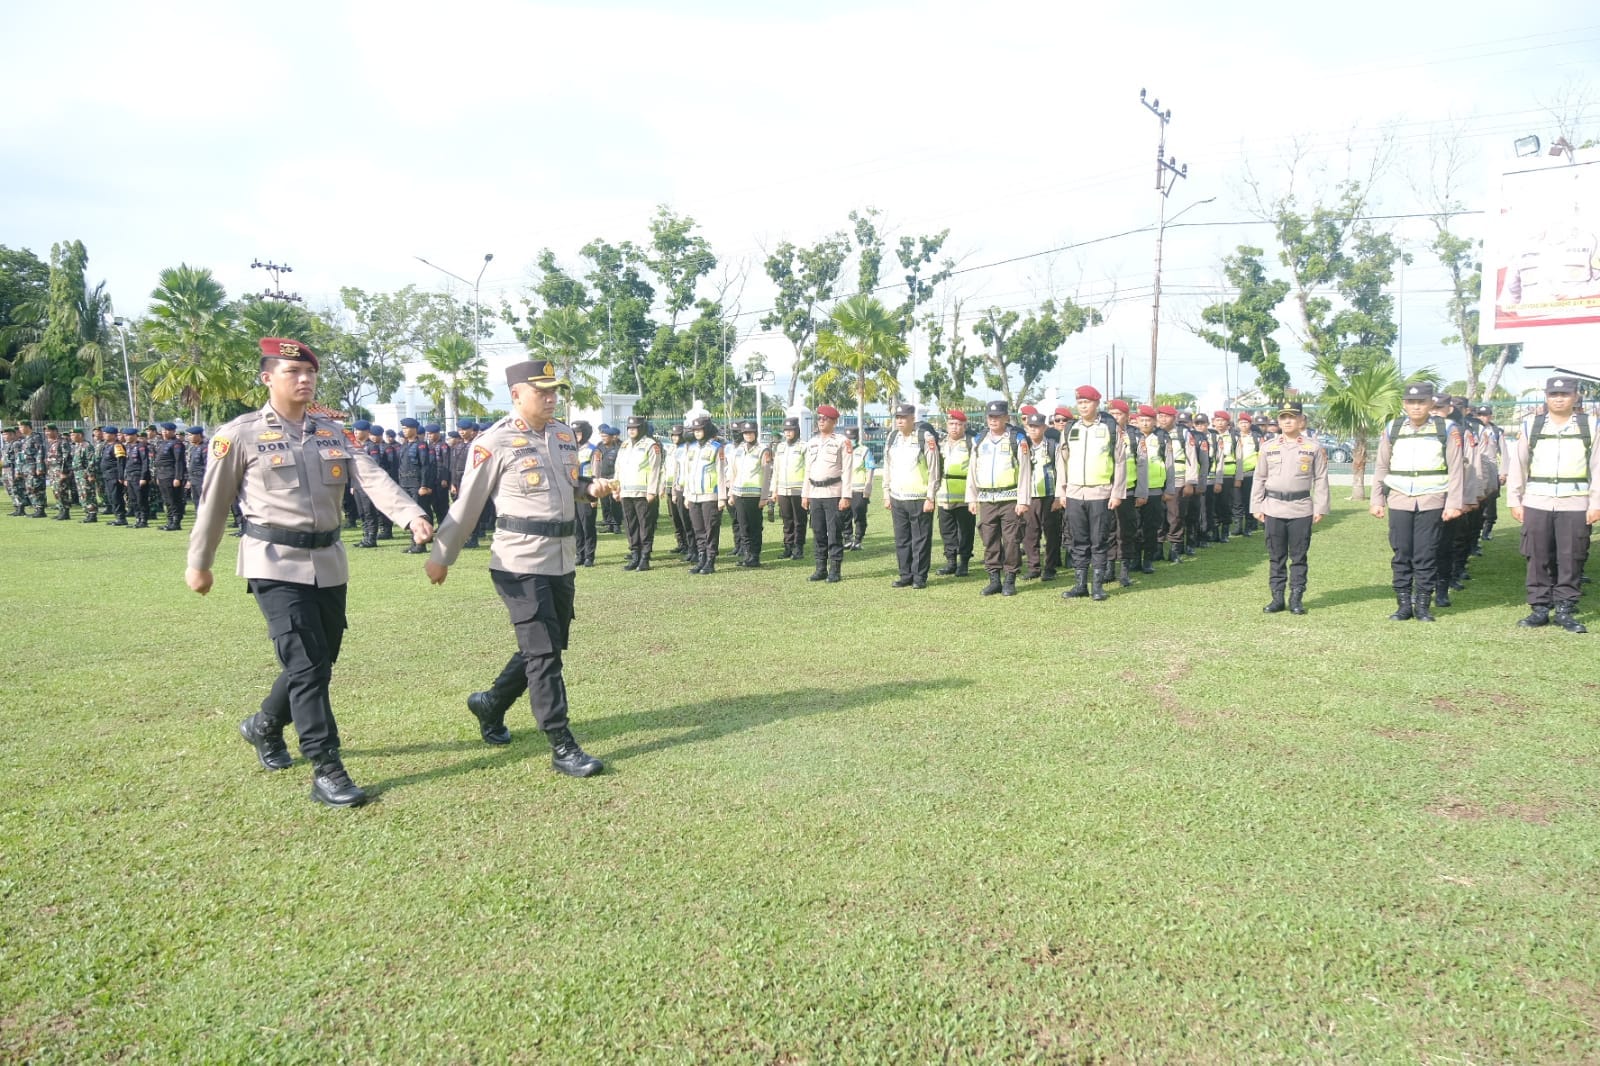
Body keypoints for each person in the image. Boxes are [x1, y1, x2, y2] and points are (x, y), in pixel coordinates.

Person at [186, 337, 433, 808]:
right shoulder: (238, 434)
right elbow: (213, 504)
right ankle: (326, 767)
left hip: (329, 562)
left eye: (309, 373)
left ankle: (262, 726)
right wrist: (200, 563)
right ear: (266, 378)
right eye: (291, 373)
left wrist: (410, 515)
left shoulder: (330, 431)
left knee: (318, 661)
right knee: (306, 666)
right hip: (274, 562)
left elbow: (370, 477)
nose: (303, 380)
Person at [425, 360, 616, 775]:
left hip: (560, 557)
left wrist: (588, 488)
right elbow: (468, 504)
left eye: (554, 392)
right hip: (519, 561)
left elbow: (570, 485)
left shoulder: (564, 435)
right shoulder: (494, 442)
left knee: (546, 644)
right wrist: (442, 556)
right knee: (544, 653)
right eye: (542, 392)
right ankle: (561, 742)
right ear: (516, 395)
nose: (551, 399)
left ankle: (490, 702)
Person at [1504, 376, 1600, 632]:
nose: (1559, 399)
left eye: (1565, 394)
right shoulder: (1531, 425)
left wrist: (1596, 502)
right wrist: (1515, 499)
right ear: (1546, 397)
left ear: (1575, 396)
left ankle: (1566, 609)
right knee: (1537, 555)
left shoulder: (1591, 425)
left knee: (1572, 556)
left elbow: (1598, 466)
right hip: (1537, 499)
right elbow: (1518, 465)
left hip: (1575, 501)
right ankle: (1539, 608)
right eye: (1554, 395)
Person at [1371, 382, 1465, 622]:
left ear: (1431, 403)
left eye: (1421, 402)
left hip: (1432, 499)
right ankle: (1403, 604)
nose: (1416, 406)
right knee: (1402, 552)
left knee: (1426, 553)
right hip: (1400, 498)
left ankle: (1423, 604)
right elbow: (1381, 466)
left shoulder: (1446, 428)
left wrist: (1454, 503)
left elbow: (1456, 470)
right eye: (1411, 402)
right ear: (1404, 404)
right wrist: (1377, 499)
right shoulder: (1393, 428)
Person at [1250, 401, 1331, 614]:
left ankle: (1296, 597)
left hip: (1301, 508)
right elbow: (1259, 477)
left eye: (1292, 417)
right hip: (1273, 507)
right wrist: (1256, 505)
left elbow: (1321, 479)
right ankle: (1277, 598)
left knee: (1298, 556)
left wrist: (1320, 507)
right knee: (1276, 556)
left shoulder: (1312, 447)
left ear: (1301, 420)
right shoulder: (1269, 447)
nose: (1287, 421)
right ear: (1278, 421)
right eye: (1283, 417)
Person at [1058, 386, 1127, 602]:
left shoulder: (1109, 427)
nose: (1083, 406)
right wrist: (1062, 490)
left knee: (1099, 540)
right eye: (1080, 402)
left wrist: (1117, 493)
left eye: (1087, 402)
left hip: (1100, 492)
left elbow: (1120, 461)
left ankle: (1097, 585)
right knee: (1078, 540)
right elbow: (1062, 461)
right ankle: (1080, 584)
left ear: (1096, 404)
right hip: (1075, 493)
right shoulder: (1070, 428)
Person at [966, 399, 1031, 596]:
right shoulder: (979, 440)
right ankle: (994, 578)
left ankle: (1010, 578)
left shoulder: (1017, 439)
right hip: (987, 499)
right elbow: (972, 470)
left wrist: (1023, 500)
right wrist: (971, 497)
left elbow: (1025, 471)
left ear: (1006, 418)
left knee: (1011, 540)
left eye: (997, 417)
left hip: (1010, 497)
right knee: (989, 539)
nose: (993, 420)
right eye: (990, 417)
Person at [882, 403, 942, 588]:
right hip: (897, 496)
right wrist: (886, 492)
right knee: (902, 539)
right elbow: (887, 466)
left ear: (912, 419)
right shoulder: (893, 437)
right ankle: (905, 575)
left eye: (903, 418)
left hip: (919, 497)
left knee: (920, 539)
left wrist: (930, 497)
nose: (900, 421)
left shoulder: (925, 437)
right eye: (897, 418)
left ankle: (919, 577)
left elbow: (934, 469)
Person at [802, 405, 853, 582]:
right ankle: (820, 568)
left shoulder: (842, 441)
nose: (821, 421)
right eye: (820, 418)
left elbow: (847, 470)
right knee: (818, 532)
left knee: (833, 532)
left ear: (834, 421)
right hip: (815, 492)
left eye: (825, 419)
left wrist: (845, 496)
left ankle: (835, 570)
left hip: (833, 493)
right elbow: (807, 470)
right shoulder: (812, 442)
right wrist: (805, 494)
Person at [616, 414, 664, 571]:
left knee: (645, 525)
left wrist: (652, 491)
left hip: (643, 493)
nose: (631, 431)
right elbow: (618, 468)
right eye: (629, 428)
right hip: (626, 491)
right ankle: (634, 554)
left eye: (634, 428)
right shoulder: (624, 445)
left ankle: (645, 556)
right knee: (630, 525)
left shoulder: (651, 445)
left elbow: (656, 469)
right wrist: (616, 487)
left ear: (641, 428)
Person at [1018, 412, 1061, 581]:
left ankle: (1050, 567)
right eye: (1031, 427)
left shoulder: (1052, 446)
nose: (1034, 430)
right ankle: (1033, 567)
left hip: (1049, 495)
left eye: (1037, 427)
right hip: (1030, 496)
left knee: (1051, 534)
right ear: (1027, 428)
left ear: (1044, 428)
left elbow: (1061, 472)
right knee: (1030, 534)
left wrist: (1059, 497)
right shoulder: (1023, 446)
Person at [682, 415, 727, 574]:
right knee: (698, 529)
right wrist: (686, 495)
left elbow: (722, 473)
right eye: (695, 430)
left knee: (711, 529)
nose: (697, 433)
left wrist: (722, 497)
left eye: (700, 430)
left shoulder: (716, 447)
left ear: (706, 430)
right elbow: (687, 473)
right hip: (694, 495)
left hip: (710, 495)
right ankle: (701, 558)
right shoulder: (691, 448)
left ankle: (710, 560)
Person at [936, 410, 975, 577]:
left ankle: (964, 562)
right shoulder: (940, 443)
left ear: (964, 426)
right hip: (944, 494)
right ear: (947, 425)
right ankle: (950, 561)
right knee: (947, 530)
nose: (955, 428)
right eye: (952, 424)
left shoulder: (970, 443)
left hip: (964, 495)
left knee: (965, 530)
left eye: (959, 424)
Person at [727, 420, 772, 567]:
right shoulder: (738, 450)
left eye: (750, 432)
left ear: (756, 433)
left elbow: (767, 475)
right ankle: (747, 555)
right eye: (745, 433)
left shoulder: (763, 450)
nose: (748, 435)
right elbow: (733, 472)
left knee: (754, 527)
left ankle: (755, 556)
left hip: (755, 496)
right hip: (739, 494)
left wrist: (765, 497)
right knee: (743, 526)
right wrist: (731, 493)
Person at [770, 416, 808, 561]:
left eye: (790, 430)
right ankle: (788, 546)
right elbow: (776, 470)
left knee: (799, 520)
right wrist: (774, 490)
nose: (787, 433)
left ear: (796, 430)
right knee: (786, 520)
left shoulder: (804, 447)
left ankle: (798, 547)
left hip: (799, 489)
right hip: (783, 490)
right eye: (785, 430)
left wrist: (807, 491)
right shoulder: (780, 447)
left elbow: (808, 469)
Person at [396, 418, 435, 554]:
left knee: (419, 514)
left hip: (416, 484)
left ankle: (421, 544)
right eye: (403, 428)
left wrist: (424, 485)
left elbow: (425, 466)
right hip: (405, 484)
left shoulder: (421, 445)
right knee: (409, 515)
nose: (404, 431)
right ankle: (413, 543)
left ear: (414, 429)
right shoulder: (404, 446)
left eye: (407, 428)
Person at [150, 422, 187, 530]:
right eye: (163, 430)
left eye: (167, 430)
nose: (164, 432)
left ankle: (176, 522)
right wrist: (157, 476)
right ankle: (170, 521)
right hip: (162, 475)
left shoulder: (176, 444)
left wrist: (178, 477)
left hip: (171, 475)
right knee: (167, 500)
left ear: (173, 432)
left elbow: (179, 462)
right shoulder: (162, 443)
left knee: (174, 500)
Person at [572, 421, 599, 566]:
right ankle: (579, 553)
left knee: (587, 525)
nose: (576, 436)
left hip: (587, 493)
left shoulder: (593, 450)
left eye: (579, 432)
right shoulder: (570, 448)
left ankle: (589, 555)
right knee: (576, 525)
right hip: (572, 491)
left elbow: (596, 473)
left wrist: (594, 496)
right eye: (574, 432)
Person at [844, 427, 874, 549]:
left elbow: (870, 468)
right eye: (848, 438)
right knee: (845, 515)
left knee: (859, 514)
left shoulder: (864, 451)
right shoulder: (842, 451)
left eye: (852, 438)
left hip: (859, 489)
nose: (850, 441)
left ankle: (858, 539)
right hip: (845, 489)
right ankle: (847, 538)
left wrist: (868, 486)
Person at [70, 427, 98, 523]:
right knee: (82, 495)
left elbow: (91, 461)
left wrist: (90, 474)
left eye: (73, 435)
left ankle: (92, 513)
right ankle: (87, 513)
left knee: (88, 494)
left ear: (80, 435)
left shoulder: (87, 446)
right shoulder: (77, 446)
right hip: (78, 473)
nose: (71, 437)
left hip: (85, 474)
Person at [182, 426, 207, 522]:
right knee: (196, 501)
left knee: (203, 501)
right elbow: (190, 465)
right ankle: (200, 522)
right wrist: (188, 479)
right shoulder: (192, 448)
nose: (189, 437)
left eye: (191, 435)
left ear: (198, 435)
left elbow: (207, 465)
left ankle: (206, 523)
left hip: (201, 478)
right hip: (193, 478)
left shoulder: (205, 447)